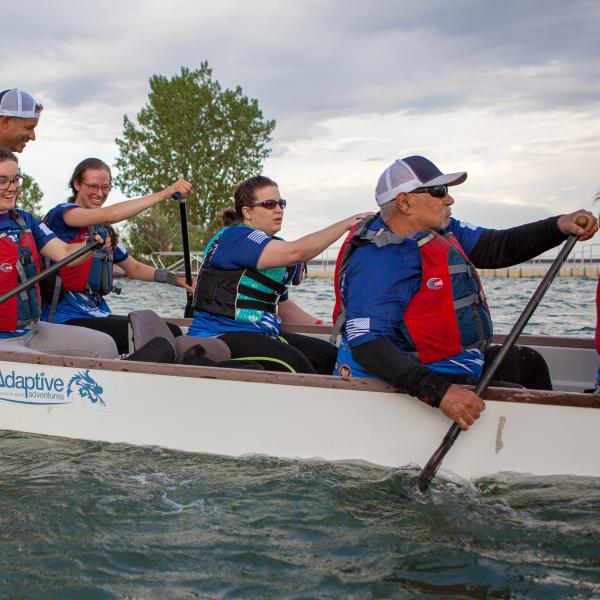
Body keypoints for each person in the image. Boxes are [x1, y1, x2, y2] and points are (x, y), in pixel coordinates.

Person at [333, 155, 597, 430]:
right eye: (439, 192)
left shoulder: (441, 230)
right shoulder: (380, 258)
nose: (449, 200)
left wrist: (558, 226)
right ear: (405, 202)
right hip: (408, 377)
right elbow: (366, 342)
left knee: (528, 362)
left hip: (448, 365)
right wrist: (440, 393)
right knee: (517, 394)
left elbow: (497, 247)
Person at [187, 175, 371, 374]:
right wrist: (348, 223)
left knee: (331, 358)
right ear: (247, 212)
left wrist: (322, 325)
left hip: (262, 334)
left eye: (281, 203)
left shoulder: (273, 244)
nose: (278, 209)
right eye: (269, 204)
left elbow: (281, 305)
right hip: (220, 335)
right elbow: (296, 252)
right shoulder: (234, 238)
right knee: (297, 366)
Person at [41, 158, 193, 354]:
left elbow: (134, 268)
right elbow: (109, 214)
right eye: (93, 186)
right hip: (63, 319)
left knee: (170, 331)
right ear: (77, 185)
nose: (100, 193)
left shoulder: (104, 231)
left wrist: (176, 280)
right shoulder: (62, 215)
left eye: (106, 187)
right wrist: (166, 193)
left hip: (98, 313)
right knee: (148, 338)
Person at [0, 148, 118, 358]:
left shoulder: (25, 221)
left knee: (104, 345)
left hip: (32, 330)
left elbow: (64, 252)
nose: (12, 188)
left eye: (16, 180)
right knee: (44, 364)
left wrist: (91, 245)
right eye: (3, 181)